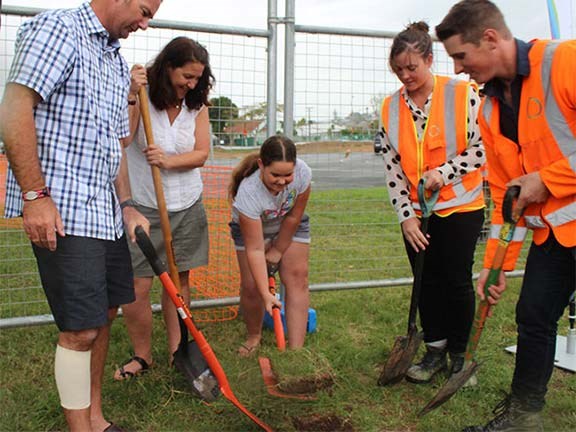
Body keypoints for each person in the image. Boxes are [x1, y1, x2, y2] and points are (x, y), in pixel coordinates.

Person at [0, 1, 160, 431]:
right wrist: (35, 196)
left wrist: (126, 206)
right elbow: (15, 106)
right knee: (80, 331)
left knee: (104, 314)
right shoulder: (59, 28)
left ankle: (95, 419)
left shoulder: (113, 59)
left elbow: (116, 145)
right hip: (64, 209)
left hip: (104, 212)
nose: (145, 24)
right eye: (144, 11)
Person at [436, 1, 576, 431]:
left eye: (461, 56)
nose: (459, 69)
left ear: (491, 39)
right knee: (533, 316)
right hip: (554, 237)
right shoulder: (490, 109)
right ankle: (523, 418)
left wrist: (548, 180)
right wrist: (497, 266)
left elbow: (535, 182)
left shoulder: (565, 62)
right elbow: (506, 198)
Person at [376, 22, 486, 385]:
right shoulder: (390, 109)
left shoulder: (463, 92)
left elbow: (483, 148)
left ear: (429, 59)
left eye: (412, 68)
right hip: (417, 212)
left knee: (455, 280)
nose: (405, 76)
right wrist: (406, 217)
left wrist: (446, 171)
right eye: (398, 70)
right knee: (426, 280)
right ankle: (434, 349)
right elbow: (393, 169)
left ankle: (459, 355)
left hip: (461, 207)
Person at [113, 36, 214, 380]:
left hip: (186, 204)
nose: (192, 83)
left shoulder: (197, 107)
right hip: (145, 205)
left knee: (177, 282)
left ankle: (178, 350)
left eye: (198, 78)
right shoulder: (143, 98)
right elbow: (123, 139)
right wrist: (130, 93)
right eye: (186, 76)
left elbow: (201, 153)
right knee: (137, 287)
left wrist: (169, 161)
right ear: (167, 68)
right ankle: (142, 355)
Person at [228, 135, 312, 356]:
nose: (283, 181)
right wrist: (266, 293)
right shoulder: (248, 192)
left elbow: (294, 217)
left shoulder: (303, 174)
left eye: (288, 175)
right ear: (261, 165)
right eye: (275, 174)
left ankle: (296, 350)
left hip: (287, 221)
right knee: (252, 286)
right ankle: (254, 336)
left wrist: (278, 250)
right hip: (253, 228)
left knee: (298, 276)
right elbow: (255, 249)